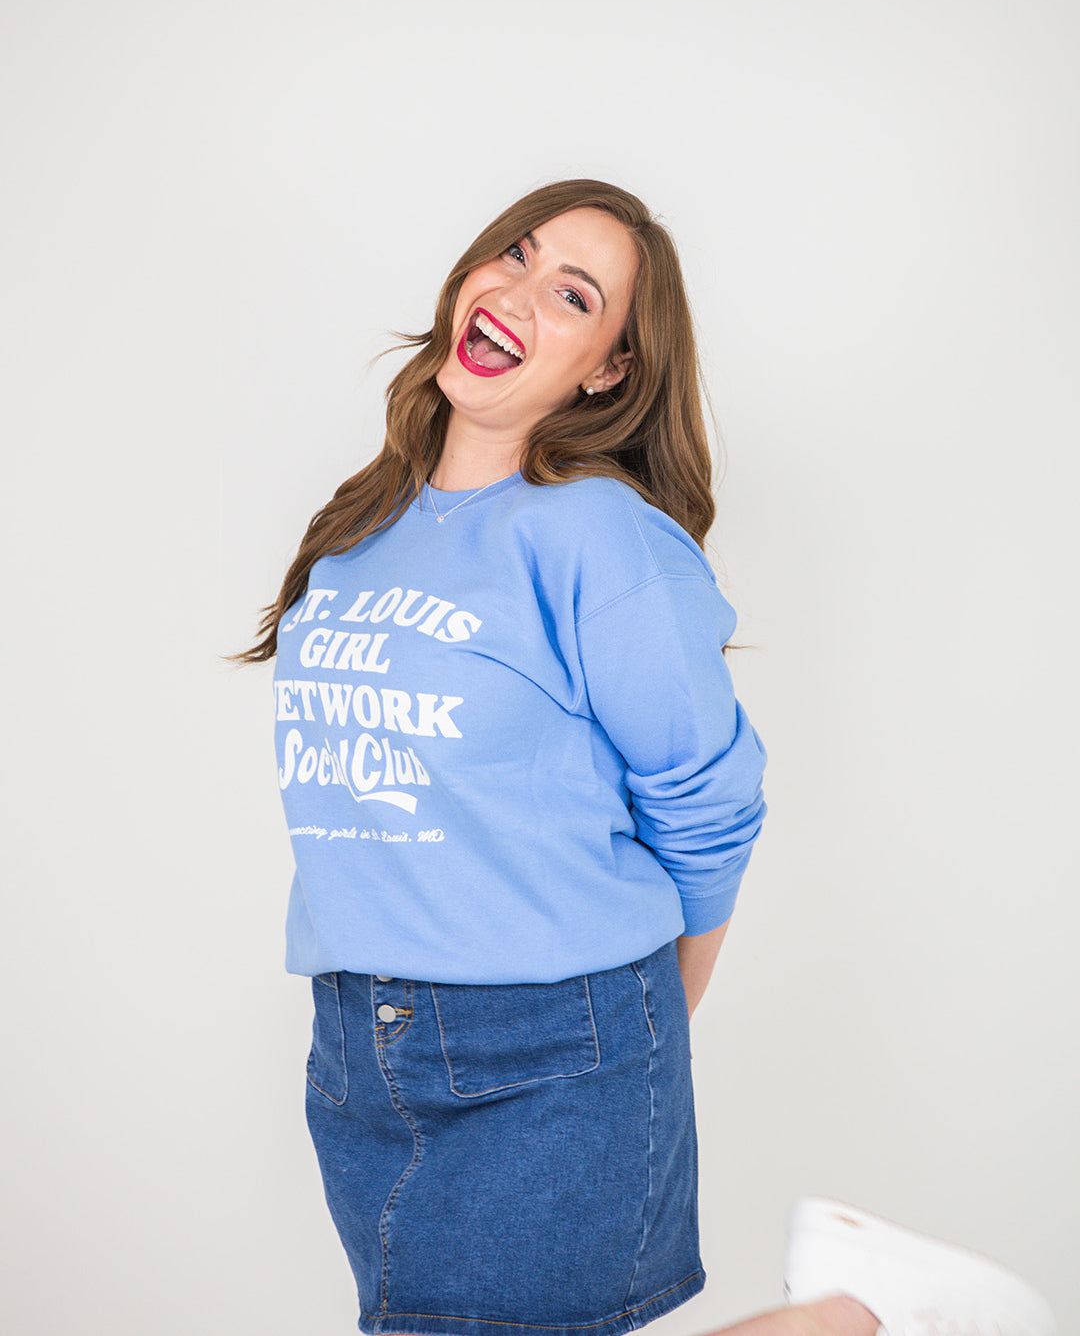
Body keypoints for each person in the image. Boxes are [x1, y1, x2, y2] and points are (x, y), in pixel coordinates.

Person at [231, 179, 1056, 1336]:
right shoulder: (361, 528)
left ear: (608, 370)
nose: (519, 290)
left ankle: (866, 1314)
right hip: (359, 1049)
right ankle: (862, 1307)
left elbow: (711, 804)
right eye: (515, 254)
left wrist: (654, 1018)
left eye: (573, 295)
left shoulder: (599, 535)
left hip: (546, 1048)